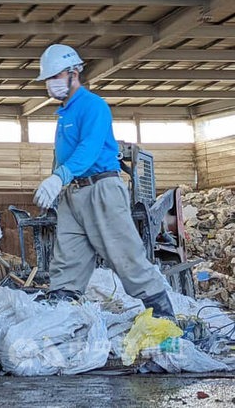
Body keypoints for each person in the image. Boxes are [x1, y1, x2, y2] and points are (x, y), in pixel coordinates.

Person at [33, 44, 175, 320]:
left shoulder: (93, 106)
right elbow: (66, 155)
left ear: (74, 72)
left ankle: (164, 320)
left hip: (101, 190)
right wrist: (58, 184)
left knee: (126, 257)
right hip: (73, 194)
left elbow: (89, 149)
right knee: (67, 262)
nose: (51, 84)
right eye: (48, 79)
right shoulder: (64, 114)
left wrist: (58, 176)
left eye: (56, 76)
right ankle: (58, 320)